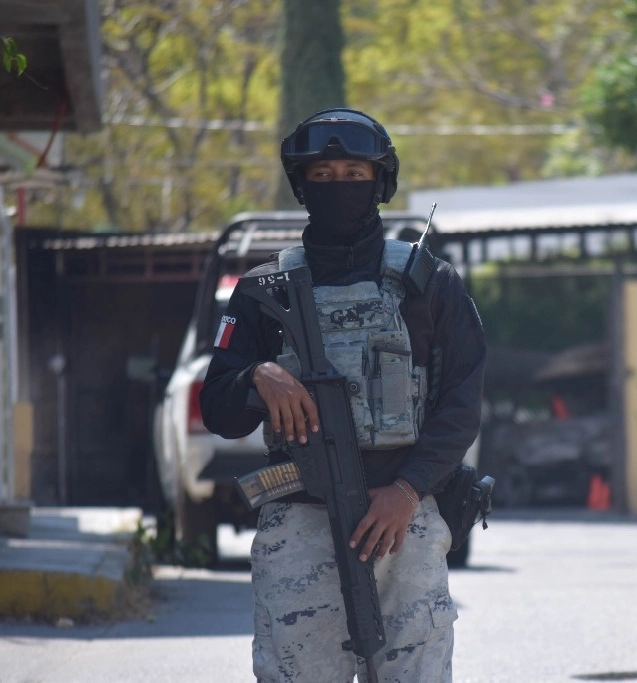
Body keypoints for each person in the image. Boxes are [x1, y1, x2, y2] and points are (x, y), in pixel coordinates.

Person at [200, 108, 486, 682]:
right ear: (302, 185)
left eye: (354, 173)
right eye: (323, 175)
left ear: (380, 181)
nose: (339, 185)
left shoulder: (430, 284)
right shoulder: (263, 290)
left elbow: (462, 405)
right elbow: (218, 410)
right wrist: (257, 376)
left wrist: (407, 490)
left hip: (403, 523)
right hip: (301, 523)